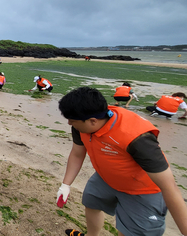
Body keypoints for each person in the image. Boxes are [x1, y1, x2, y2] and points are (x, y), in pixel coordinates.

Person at [57, 87, 187, 236]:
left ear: (93, 121)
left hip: (141, 189)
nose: (69, 123)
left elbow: (169, 187)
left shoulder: (138, 139)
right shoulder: (81, 124)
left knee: (132, 232)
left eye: (72, 121)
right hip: (106, 177)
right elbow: (77, 154)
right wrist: (65, 184)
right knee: (91, 204)